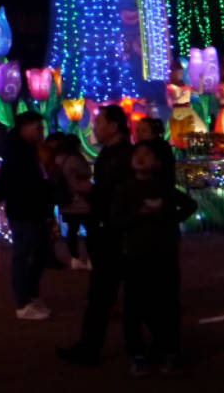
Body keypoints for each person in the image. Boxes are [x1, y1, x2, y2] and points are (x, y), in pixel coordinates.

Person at [58, 104, 134, 367]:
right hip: (108, 230)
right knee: (104, 294)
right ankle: (92, 347)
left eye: (99, 122)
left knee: (107, 293)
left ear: (114, 126)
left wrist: (91, 191)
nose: (95, 127)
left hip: (115, 233)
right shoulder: (111, 154)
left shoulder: (122, 156)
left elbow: (117, 194)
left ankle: (95, 348)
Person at [114, 141, 197, 376]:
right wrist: (138, 215)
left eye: (147, 154)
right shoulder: (125, 189)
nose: (140, 157)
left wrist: (165, 214)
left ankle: (168, 350)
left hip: (163, 252)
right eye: (137, 153)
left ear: (158, 162)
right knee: (134, 306)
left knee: (166, 303)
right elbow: (115, 220)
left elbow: (190, 204)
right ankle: (138, 353)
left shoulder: (164, 187)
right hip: (135, 253)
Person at [0, 111, 52, 319]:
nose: (41, 132)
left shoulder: (33, 150)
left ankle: (31, 295)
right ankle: (23, 303)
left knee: (39, 253)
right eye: (37, 128)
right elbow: (10, 179)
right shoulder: (17, 153)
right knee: (25, 254)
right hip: (23, 209)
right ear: (24, 128)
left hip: (35, 208)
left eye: (41, 128)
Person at [48, 133, 92, 269]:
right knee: (90, 230)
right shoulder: (76, 159)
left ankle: (74, 258)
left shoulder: (58, 159)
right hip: (81, 200)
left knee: (72, 230)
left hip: (65, 200)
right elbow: (86, 173)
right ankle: (90, 258)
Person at [165, 63, 207, 148]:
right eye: (178, 73)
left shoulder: (186, 86)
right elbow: (172, 99)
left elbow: (199, 92)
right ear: (173, 73)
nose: (180, 75)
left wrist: (201, 80)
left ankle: (191, 149)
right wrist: (180, 95)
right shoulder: (170, 87)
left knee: (197, 130)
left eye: (181, 73)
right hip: (178, 112)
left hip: (188, 111)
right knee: (180, 133)